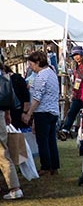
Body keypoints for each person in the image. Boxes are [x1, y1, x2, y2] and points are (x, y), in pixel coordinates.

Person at [22, 50, 60, 177]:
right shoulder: (52, 73)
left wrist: (29, 113)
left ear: (38, 63)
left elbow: (37, 98)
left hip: (43, 112)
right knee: (51, 140)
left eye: (31, 64)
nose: (30, 67)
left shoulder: (41, 76)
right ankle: (54, 165)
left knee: (42, 140)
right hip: (53, 110)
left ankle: (46, 166)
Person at [0, 65, 23, 199]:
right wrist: (7, 114)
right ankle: (15, 187)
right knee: (3, 152)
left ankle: (15, 188)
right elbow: (10, 100)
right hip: (1, 115)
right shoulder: (5, 79)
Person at [58, 46, 83, 141]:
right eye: (74, 55)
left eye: (77, 54)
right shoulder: (76, 66)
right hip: (77, 94)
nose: (76, 57)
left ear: (82, 54)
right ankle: (65, 130)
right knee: (71, 113)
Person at [3, 65, 29, 130]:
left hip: (16, 112)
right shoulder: (18, 78)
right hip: (18, 111)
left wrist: (25, 112)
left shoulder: (16, 79)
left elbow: (26, 97)